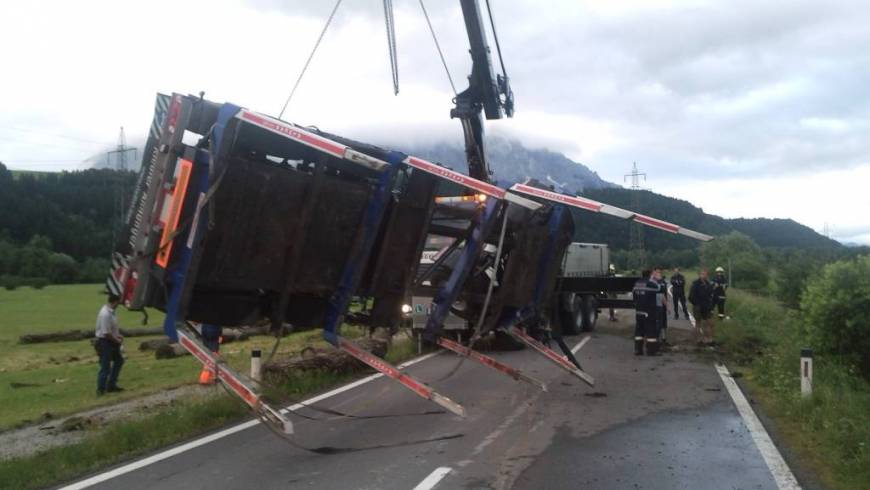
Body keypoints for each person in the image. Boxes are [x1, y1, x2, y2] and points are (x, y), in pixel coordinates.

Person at [95, 293, 124, 395]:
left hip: (111, 341)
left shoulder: (111, 312)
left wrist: (118, 335)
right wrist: (117, 340)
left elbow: (111, 328)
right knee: (105, 366)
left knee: (119, 361)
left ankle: (111, 385)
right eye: (119, 302)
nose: (119, 304)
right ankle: (101, 389)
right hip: (105, 342)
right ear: (115, 302)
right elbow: (106, 333)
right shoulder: (105, 314)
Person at [632, 269, 662, 356]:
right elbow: (659, 288)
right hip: (649, 311)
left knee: (639, 331)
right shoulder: (651, 284)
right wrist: (654, 279)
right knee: (651, 331)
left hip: (639, 311)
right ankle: (651, 351)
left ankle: (638, 350)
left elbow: (634, 296)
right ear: (650, 275)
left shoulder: (636, 283)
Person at [689, 268, 716, 345]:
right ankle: (698, 340)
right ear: (699, 275)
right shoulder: (695, 284)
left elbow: (711, 296)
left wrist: (710, 305)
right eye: (702, 274)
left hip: (707, 306)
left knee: (709, 323)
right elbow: (691, 297)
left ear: (707, 275)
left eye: (705, 274)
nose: (704, 275)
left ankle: (709, 339)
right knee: (698, 323)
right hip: (698, 306)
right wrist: (697, 304)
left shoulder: (708, 284)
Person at [655, 267, 669, 345]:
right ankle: (657, 339)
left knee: (664, 322)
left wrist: (667, 305)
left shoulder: (663, 282)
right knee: (657, 322)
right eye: (657, 272)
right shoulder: (653, 282)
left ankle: (664, 338)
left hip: (663, 304)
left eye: (660, 272)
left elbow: (665, 293)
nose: (659, 273)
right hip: (656, 305)